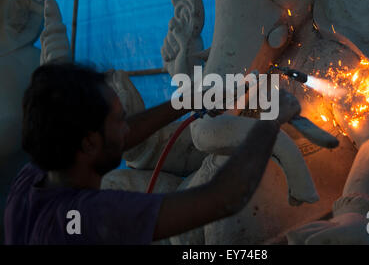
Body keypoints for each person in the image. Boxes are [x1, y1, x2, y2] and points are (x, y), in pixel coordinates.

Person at [4, 62, 301, 244]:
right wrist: (270, 123)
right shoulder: (91, 216)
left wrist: (187, 100)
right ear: (88, 144)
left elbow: (122, 137)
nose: (127, 129)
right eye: (119, 120)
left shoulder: (31, 179)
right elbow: (223, 199)